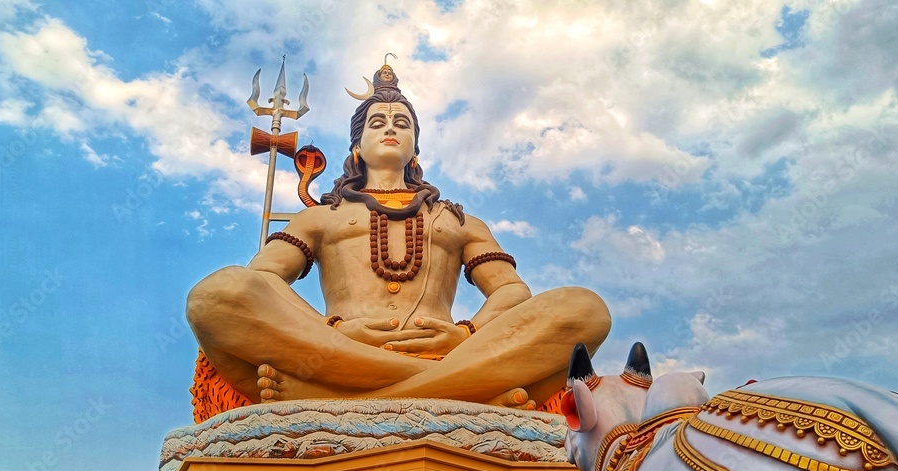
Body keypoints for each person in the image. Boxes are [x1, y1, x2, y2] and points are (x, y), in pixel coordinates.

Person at [186, 61, 610, 410]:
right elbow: (261, 281)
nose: (391, 128)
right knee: (216, 294)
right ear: (357, 146)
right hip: (336, 353)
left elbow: (512, 292)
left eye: (402, 123)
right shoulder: (321, 217)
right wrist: (330, 330)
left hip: (454, 351)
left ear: (415, 147)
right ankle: (457, 392)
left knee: (585, 309)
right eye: (377, 122)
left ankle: (342, 399)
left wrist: (466, 333)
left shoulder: (457, 220)